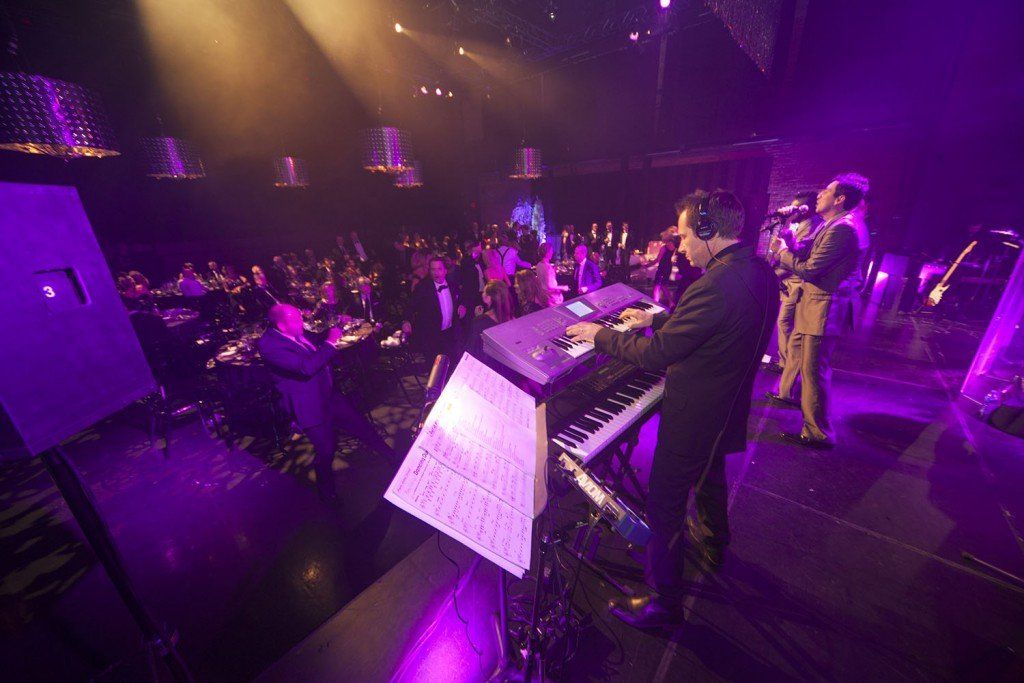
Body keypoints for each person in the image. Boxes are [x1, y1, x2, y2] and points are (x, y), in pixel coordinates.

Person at [566, 189, 779, 628]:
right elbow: (718, 323)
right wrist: (657, 318)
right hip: (727, 406)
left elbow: (656, 355)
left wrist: (598, 335)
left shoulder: (713, 285)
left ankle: (663, 603)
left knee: (665, 505)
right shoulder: (757, 270)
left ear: (708, 231)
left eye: (684, 236)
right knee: (710, 476)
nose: (680, 247)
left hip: (694, 414)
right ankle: (715, 545)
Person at [770, 173, 870, 449]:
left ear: (840, 199)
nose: (820, 194)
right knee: (807, 365)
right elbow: (805, 251)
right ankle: (809, 420)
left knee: (814, 371)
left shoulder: (844, 229)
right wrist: (788, 234)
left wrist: (783, 255)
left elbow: (811, 269)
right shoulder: (832, 223)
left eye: (827, 191)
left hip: (824, 309)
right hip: (815, 305)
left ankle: (819, 432)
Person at [257, 305, 395, 503]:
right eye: (296, 320)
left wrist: (335, 328)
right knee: (326, 450)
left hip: (328, 395)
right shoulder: (269, 345)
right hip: (308, 405)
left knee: (361, 426)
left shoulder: (296, 331)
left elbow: (315, 340)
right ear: (281, 325)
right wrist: (330, 343)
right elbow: (306, 367)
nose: (302, 324)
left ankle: (392, 457)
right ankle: (326, 491)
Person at [766, 192, 821, 403]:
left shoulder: (811, 225)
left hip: (796, 282)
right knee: (784, 324)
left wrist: (774, 273)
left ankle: (786, 365)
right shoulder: (797, 224)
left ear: (806, 208)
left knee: (785, 323)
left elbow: (797, 256)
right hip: (788, 280)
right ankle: (784, 362)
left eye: (797, 206)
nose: (793, 208)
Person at [402, 257, 467, 361]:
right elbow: (411, 305)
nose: (436, 272)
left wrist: (461, 305)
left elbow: (460, 298)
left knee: (449, 361)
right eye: (433, 269)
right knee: (433, 364)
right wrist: (406, 321)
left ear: (445, 271)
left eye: (439, 269)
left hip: (449, 333)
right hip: (431, 334)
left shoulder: (452, 285)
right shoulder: (423, 287)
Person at [465, 279, 514, 358]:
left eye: (484, 291)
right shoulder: (512, 318)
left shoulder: (480, 321)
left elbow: (472, 350)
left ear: (488, 298)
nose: (482, 293)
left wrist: (478, 318)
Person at [458, 240, 486, 311]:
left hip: (483, 290)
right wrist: (472, 256)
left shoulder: (482, 260)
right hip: (472, 292)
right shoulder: (466, 262)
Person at [651, 235, 678, 305]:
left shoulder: (664, 247)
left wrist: (648, 264)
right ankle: (671, 302)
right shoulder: (674, 247)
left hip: (662, 267)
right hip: (668, 267)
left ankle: (655, 302)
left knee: (657, 285)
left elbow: (658, 259)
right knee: (664, 285)